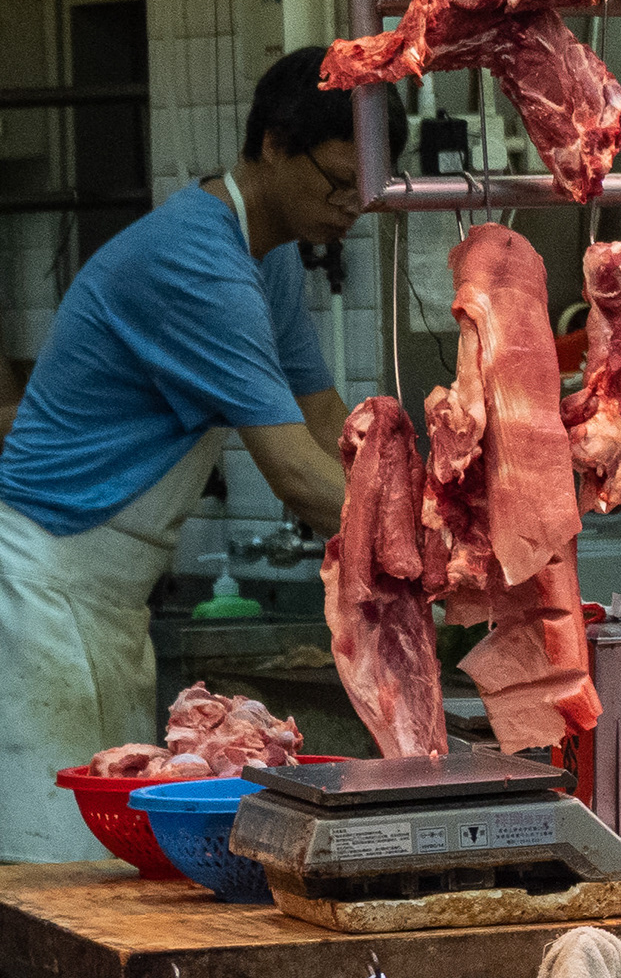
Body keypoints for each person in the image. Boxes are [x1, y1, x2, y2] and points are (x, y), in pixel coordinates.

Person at [0, 46, 364, 854]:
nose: (350, 207)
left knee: (113, 869)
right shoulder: (197, 260)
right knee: (55, 881)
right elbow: (299, 476)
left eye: (362, 190)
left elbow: (328, 417)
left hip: (106, 601)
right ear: (273, 144)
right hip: (39, 589)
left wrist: (436, 495)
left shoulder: (263, 262)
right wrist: (443, 553)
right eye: (337, 182)